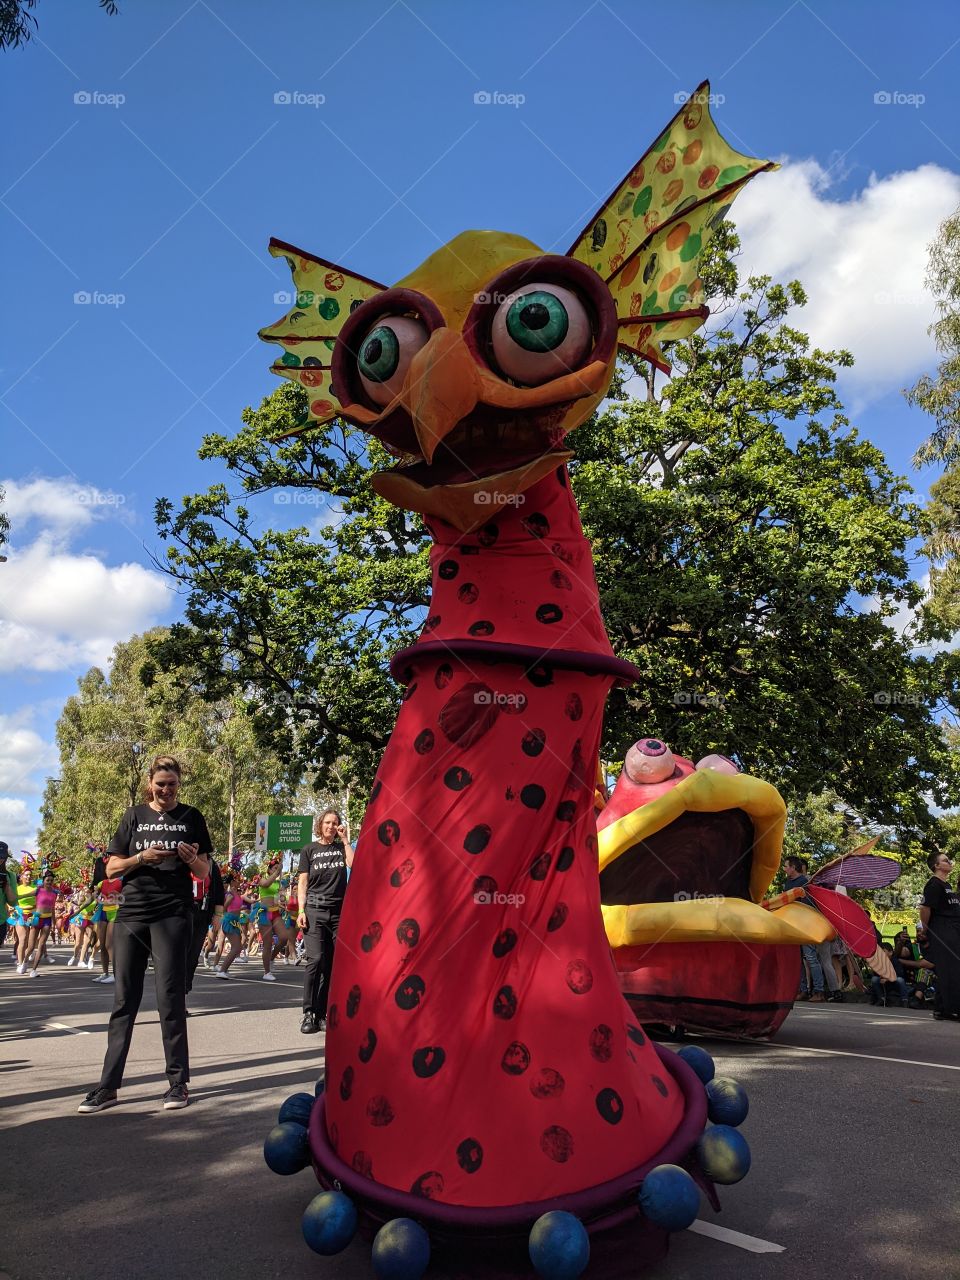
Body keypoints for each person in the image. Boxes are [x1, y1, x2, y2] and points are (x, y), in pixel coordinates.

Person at [77, 755, 212, 1114]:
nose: (166, 790)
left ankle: (178, 1084)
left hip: (173, 912)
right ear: (149, 784)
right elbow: (110, 867)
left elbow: (205, 871)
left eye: (172, 784)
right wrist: (141, 858)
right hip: (132, 913)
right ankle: (108, 1087)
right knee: (124, 1001)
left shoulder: (192, 817)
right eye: (160, 783)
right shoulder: (134, 815)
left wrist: (188, 859)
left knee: (170, 999)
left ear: (179, 785)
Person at [297, 809, 354, 1035]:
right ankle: (308, 1012)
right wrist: (301, 910)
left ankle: (322, 1013)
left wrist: (346, 840)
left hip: (339, 912)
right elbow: (303, 882)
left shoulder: (342, 848)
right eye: (328, 823)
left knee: (332, 963)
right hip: (314, 910)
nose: (331, 826)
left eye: (335, 823)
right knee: (316, 960)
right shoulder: (309, 850)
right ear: (320, 824)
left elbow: (354, 864)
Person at [783, 856, 842, 1003]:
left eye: (786, 866)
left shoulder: (805, 882)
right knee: (800, 959)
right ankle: (804, 990)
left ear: (793, 867)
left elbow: (808, 905)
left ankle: (819, 991)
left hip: (808, 924)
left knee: (812, 959)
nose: (784, 869)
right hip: (794, 925)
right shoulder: (788, 883)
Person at [919, 850, 960, 1022]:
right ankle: (952, 1009)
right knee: (951, 970)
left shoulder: (947, 886)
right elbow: (925, 908)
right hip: (942, 930)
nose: (949, 862)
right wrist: (926, 930)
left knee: (950, 969)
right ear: (937, 866)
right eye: (945, 860)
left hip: (952, 929)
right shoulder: (934, 885)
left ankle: (941, 1008)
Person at [185, 857, 224, 1001]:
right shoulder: (179, 856)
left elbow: (219, 891)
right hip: (179, 913)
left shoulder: (211, 864)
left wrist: (218, 915)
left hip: (201, 913)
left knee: (192, 956)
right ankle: (170, 997)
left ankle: (183, 994)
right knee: (177, 956)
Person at [869, 943, 910, 1007]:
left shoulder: (895, 961)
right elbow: (876, 974)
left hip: (894, 982)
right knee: (874, 979)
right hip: (884, 983)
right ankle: (881, 998)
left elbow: (899, 974)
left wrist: (888, 979)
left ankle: (904, 999)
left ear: (890, 952)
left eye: (883, 952)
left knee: (900, 980)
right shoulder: (879, 962)